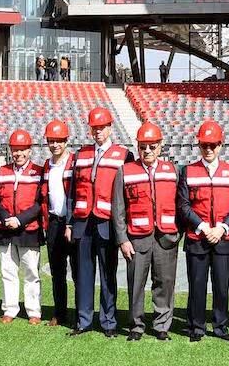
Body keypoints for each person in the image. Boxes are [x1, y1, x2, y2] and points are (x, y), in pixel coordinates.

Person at [112, 122, 180, 341]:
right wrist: (123, 239)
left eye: (152, 146)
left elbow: (181, 204)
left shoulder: (172, 170)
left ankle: (161, 325)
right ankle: (136, 325)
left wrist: (178, 233)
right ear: (138, 147)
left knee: (165, 283)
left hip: (165, 238)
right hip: (137, 238)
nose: (147, 151)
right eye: (143, 147)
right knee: (136, 284)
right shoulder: (125, 171)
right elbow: (118, 209)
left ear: (160, 146)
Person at [66, 107, 130, 337]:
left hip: (107, 224)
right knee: (83, 274)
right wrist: (69, 222)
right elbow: (72, 191)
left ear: (110, 127)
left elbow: (126, 195)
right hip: (83, 223)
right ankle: (83, 320)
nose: (98, 132)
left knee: (107, 274)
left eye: (102, 128)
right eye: (94, 128)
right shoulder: (80, 155)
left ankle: (108, 321)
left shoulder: (123, 155)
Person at [177, 120, 229, 342]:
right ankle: (197, 327)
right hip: (198, 237)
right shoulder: (188, 171)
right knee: (197, 285)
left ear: (221, 145)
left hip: (223, 237)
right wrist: (204, 227)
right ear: (199, 146)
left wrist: (222, 228)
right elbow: (183, 204)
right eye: (205, 145)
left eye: (213, 145)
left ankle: (221, 326)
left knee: (221, 286)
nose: (209, 149)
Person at [0, 130, 46, 325]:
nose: (19, 154)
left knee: (31, 272)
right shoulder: (2, 171)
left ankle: (33, 311)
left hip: (28, 229)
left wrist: (20, 219)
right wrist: (6, 218)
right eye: (15, 150)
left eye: (22, 150)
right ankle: (10, 309)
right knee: (8, 271)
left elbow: (40, 203)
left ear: (30, 150)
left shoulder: (39, 172)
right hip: (5, 229)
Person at [41, 119, 75, 327]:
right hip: (53, 222)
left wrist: (72, 222)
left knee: (79, 271)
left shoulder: (75, 161)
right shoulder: (47, 165)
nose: (55, 145)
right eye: (51, 141)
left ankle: (81, 312)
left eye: (59, 140)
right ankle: (60, 312)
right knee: (57, 271)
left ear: (66, 141)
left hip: (72, 223)